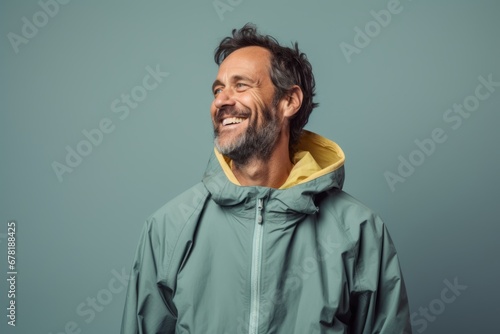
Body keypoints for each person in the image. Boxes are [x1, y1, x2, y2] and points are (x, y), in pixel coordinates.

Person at [120, 23, 412, 334]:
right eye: (218, 89)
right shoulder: (168, 229)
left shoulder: (358, 231)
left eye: (241, 85)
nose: (221, 101)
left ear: (289, 101)